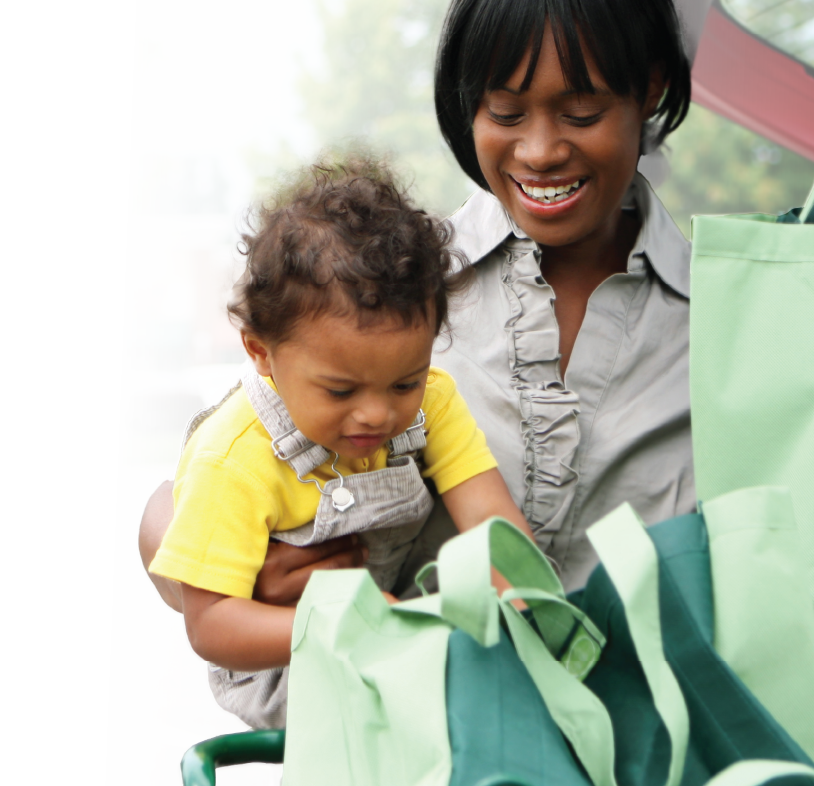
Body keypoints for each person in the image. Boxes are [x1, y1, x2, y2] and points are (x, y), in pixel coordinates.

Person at [138, 0, 814, 602]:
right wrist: (234, 571)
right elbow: (189, 494)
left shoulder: (737, 312)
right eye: (506, 112)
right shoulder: (383, 297)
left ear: (651, 93)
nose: (539, 151)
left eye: (583, 110)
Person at [146, 157, 532, 728]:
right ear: (260, 352)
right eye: (340, 389)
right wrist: (360, 618)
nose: (376, 413)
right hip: (285, 670)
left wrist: (528, 610)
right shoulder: (235, 458)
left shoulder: (433, 402)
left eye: (405, 380)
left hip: (389, 635)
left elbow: (492, 522)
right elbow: (210, 627)